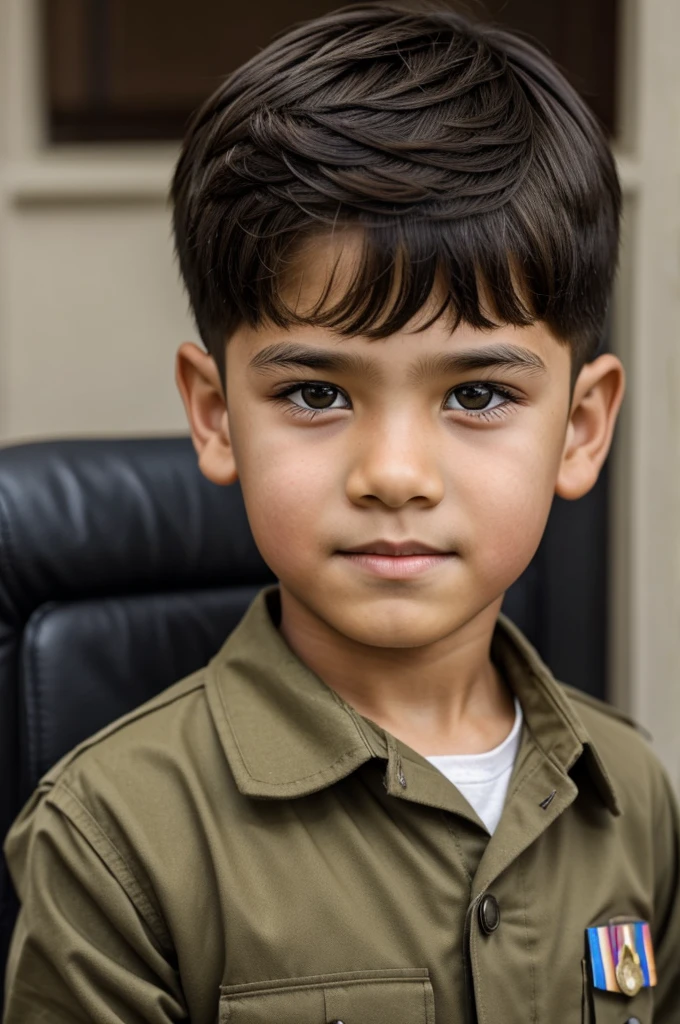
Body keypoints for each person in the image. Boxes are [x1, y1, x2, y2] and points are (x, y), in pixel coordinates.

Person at [3, 3, 679, 1022]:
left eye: (476, 395)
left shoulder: (630, 794)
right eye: (316, 394)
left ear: (579, 428)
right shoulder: (115, 840)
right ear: (215, 415)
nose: (394, 473)